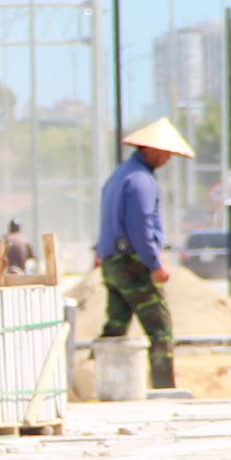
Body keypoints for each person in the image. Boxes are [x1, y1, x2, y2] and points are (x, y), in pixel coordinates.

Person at [94, 116, 194, 392]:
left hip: (112, 262)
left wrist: (101, 252)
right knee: (160, 329)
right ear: (150, 150)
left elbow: (107, 222)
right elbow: (141, 226)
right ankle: (164, 388)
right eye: (165, 153)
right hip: (133, 265)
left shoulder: (118, 176)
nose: (167, 159)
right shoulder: (141, 181)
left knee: (115, 327)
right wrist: (154, 263)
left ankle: (99, 382)